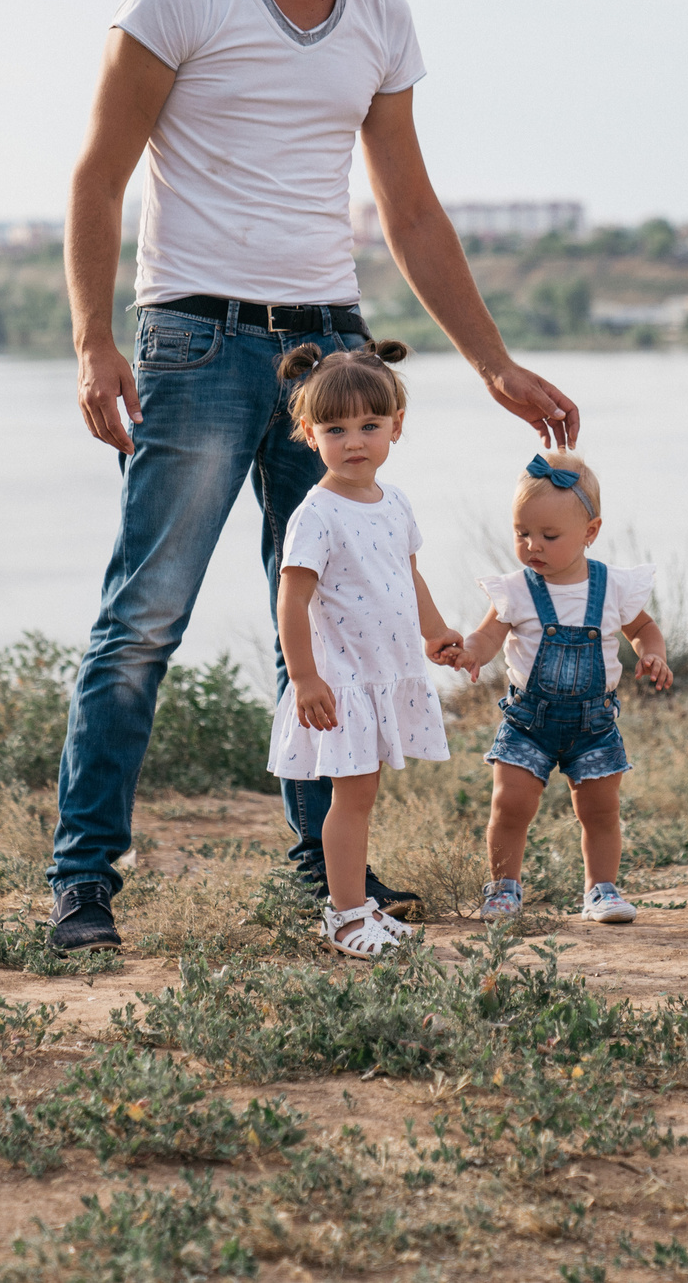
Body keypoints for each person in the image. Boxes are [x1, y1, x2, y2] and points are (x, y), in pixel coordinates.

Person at [50, 0, 580, 953]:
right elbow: (99, 175)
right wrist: (94, 341)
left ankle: (322, 873)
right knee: (145, 615)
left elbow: (411, 209)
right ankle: (82, 879)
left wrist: (490, 361)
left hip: (328, 350)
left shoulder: (381, 17)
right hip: (192, 336)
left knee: (340, 615)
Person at [267, 342, 460, 956]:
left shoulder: (394, 502)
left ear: (395, 428)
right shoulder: (315, 515)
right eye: (336, 428)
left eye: (370, 426)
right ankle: (346, 915)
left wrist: (435, 632)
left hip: (387, 673)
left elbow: (409, 575)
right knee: (349, 802)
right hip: (343, 680)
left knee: (364, 796)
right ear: (308, 433)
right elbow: (291, 601)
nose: (355, 441)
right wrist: (304, 678)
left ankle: (357, 906)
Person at [453, 452, 671, 925]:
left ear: (590, 532)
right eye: (521, 533)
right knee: (510, 804)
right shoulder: (517, 590)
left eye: (549, 536)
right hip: (529, 722)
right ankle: (503, 889)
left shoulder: (613, 587)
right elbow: (489, 635)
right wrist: (471, 650)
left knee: (600, 810)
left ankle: (602, 890)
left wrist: (653, 653)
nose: (533, 545)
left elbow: (643, 629)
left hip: (593, 724)